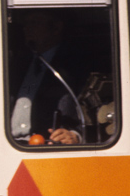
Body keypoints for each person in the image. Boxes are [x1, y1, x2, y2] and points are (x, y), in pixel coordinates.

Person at [9, 11, 85, 145]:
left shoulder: (73, 65)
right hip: (9, 144)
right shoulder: (17, 63)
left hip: (46, 146)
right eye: (26, 23)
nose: (27, 28)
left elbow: (85, 107)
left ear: (56, 28)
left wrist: (75, 135)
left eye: (34, 22)